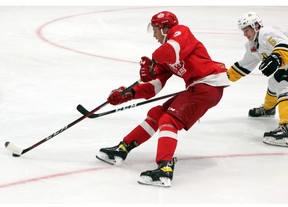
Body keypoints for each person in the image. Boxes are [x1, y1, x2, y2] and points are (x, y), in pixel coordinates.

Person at [97, 11, 230, 187]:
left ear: (165, 28)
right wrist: (127, 95)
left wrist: (153, 61)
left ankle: (164, 169)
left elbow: (172, 50)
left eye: (155, 30)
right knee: (157, 114)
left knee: (169, 120)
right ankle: (122, 149)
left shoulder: (180, 32)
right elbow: (153, 86)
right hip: (198, 87)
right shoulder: (164, 56)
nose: (154, 35)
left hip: (208, 86)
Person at [227, 11, 288, 147]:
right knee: (274, 82)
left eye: (246, 30)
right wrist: (224, 77)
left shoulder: (267, 33)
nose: (244, 34)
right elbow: (244, 65)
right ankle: (268, 109)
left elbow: (284, 45)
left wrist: (277, 58)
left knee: (284, 83)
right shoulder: (253, 46)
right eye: (243, 31)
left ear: (255, 26)